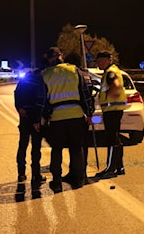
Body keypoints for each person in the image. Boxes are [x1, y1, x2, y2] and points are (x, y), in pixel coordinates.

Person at [41, 47, 92, 193]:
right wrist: (89, 113)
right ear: (61, 56)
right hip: (75, 115)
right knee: (76, 148)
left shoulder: (46, 74)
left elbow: (43, 99)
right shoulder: (75, 70)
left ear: (50, 59)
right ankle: (77, 180)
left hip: (56, 118)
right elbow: (84, 93)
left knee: (56, 149)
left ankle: (57, 182)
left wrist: (44, 117)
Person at [62, 53, 96, 185]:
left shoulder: (74, 75)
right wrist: (89, 113)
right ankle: (81, 173)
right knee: (82, 145)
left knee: (75, 146)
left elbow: (83, 95)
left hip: (76, 114)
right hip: (83, 115)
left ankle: (77, 175)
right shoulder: (86, 75)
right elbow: (89, 96)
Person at [94, 51, 127, 179]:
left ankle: (110, 169)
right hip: (115, 110)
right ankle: (119, 167)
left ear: (107, 60)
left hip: (112, 110)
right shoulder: (114, 70)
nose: (98, 64)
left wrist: (109, 95)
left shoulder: (110, 72)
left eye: (100, 61)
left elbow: (116, 86)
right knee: (116, 139)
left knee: (111, 140)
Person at [14, 60, 48, 185]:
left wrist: (19, 108)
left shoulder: (22, 82)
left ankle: (21, 173)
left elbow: (16, 95)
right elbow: (40, 102)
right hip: (34, 117)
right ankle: (36, 174)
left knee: (23, 145)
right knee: (36, 147)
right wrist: (37, 120)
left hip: (24, 118)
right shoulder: (39, 82)